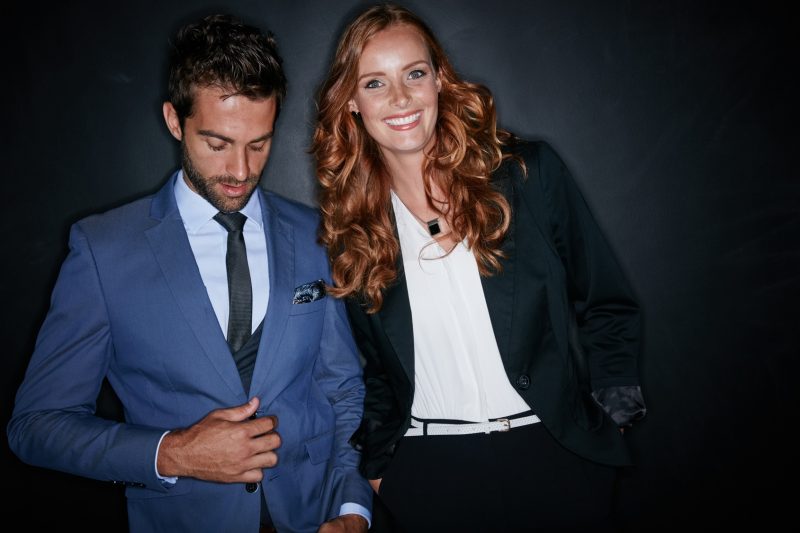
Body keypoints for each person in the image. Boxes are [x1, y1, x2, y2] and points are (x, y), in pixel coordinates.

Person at [7, 13, 371, 533]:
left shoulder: (314, 233)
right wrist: (174, 453)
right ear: (175, 121)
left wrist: (352, 509)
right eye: (218, 144)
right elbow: (35, 428)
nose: (241, 171)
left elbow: (343, 391)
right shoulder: (102, 250)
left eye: (259, 143)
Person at [312, 4, 646, 532]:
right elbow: (377, 372)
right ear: (351, 102)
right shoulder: (354, 234)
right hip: (431, 477)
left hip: (559, 460)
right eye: (374, 83)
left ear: (439, 81)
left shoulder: (526, 176)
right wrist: (381, 471)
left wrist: (615, 417)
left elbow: (606, 302)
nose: (399, 98)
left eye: (414, 75)